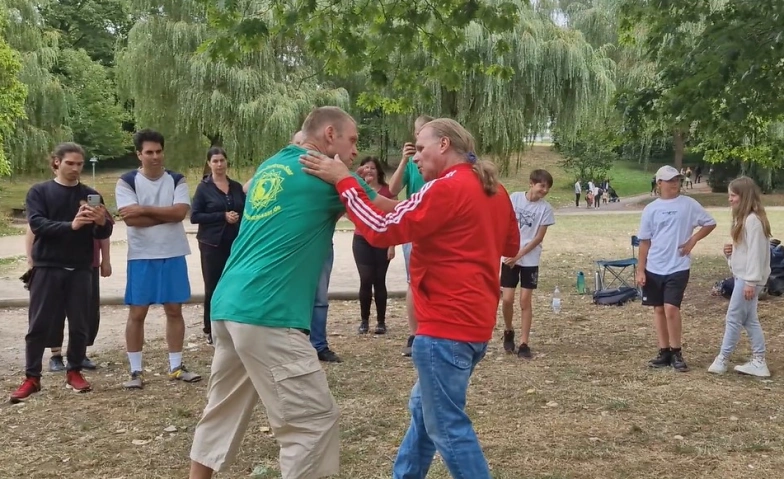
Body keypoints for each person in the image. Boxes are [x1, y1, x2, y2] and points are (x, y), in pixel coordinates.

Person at [300, 118, 520, 479]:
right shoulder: (492, 188)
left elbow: (381, 230)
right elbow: (509, 245)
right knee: (425, 415)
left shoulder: (447, 188)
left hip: (444, 328)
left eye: (420, 148)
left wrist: (343, 180)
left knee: (447, 428)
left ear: (444, 145)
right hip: (475, 325)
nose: (415, 157)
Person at [188, 106, 396, 479]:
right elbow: (392, 216)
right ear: (329, 135)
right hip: (269, 313)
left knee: (221, 411)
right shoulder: (328, 174)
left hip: (229, 305)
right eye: (352, 141)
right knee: (312, 423)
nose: (354, 153)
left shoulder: (272, 164)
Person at [10, 142, 113, 403]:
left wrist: (101, 223)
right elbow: (38, 224)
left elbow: (103, 233)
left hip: (80, 268)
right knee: (39, 324)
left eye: (79, 164)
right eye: (70, 163)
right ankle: (32, 377)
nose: (75, 168)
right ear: (56, 162)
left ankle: (74, 371)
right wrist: (72, 224)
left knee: (80, 324)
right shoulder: (40, 192)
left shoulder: (90, 194)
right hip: (48, 266)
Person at [116, 128, 201, 389]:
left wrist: (143, 209)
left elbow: (179, 214)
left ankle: (176, 366)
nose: (155, 157)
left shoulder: (177, 179)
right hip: (142, 256)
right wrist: (159, 214)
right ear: (139, 154)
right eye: (149, 152)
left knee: (174, 310)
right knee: (137, 312)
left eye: (159, 151)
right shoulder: (127, 182)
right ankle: (136, 371)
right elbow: (131, 220)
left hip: (173, 252)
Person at [636, 165, 716, 372]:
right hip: (655, 266)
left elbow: (709, 223)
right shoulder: (651, 209)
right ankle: (664, 352)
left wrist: (692, 240)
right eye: (670, 180)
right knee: (659, 309)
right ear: (659, 183)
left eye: (677, 180)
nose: (674, 183)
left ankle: (677, 351)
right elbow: (644, 242)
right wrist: (641, 270)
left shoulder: (688, 204)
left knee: (672, 308)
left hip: (678, 266)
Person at [708, 177, 771, 377]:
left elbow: (756, 254)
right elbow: (745, 253)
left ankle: (722, 359)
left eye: (733, 195)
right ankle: (759, 360)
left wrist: (751, 281)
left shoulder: (753, 221)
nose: (730, 199)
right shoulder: (743, 220)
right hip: (743, 276)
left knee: (733, 318)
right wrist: (730, 253)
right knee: (749, 319)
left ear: (743, 197)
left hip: (748, 278)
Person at [388, 114, 433, 356]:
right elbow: (393, 190)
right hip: (415, 230)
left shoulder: (437, 159)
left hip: (436, 227)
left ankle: (432, 330)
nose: (421, 136)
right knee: (413, 282)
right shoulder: (413, 162)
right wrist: (404, 161)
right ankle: (414, 334)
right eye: (418, 132)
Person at [190, 146, 246, 345]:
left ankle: (234, 325)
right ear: (209, 164)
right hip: (211, 244)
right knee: (213, 286)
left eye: (222, 160)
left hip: (236, 243)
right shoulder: (204, 188)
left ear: (227, 162)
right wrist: (222, 216)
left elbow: (246, 209)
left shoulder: (236, 187)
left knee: (235, 285)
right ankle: (210, 328)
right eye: (215, 161)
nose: (219, 164)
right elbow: (195, 216)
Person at [501, 169, 555, 358]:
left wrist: (519, 255)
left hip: (529, 259)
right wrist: (509, 252)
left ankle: (524, 343)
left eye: (548, 187)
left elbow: (538, 238)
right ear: (531, 183)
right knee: (507, 299)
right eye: (542, 185)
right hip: (508, 257)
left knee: (525, 301)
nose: (545, 190)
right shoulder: (514, 198)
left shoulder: (545, 210)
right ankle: (508, 330)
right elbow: (502, 223)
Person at [353, 156, 397, 334]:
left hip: (383, 240)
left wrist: (392, 245)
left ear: (378, 171)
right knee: (365, 280)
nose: (369, 170)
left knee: (379, 281)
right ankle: (364, 321)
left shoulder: (387, 191)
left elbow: (394, 218)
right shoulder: (357, 190)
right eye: (365, 167)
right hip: (361, 240)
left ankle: (381, 321)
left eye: (372, 167)